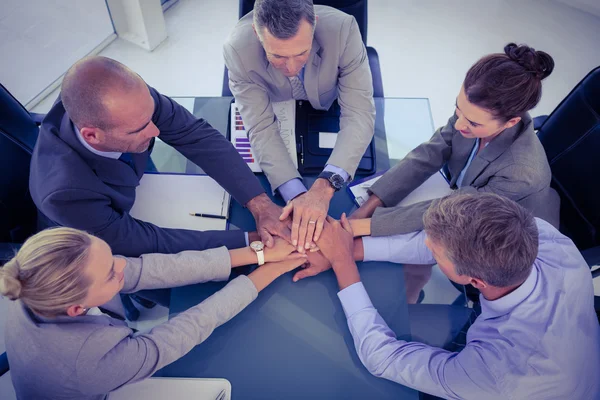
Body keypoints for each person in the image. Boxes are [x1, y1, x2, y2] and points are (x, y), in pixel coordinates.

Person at [315, 193, 600, 399]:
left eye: (437, 256)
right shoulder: (542, 236)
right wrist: (350, 250)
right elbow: (438, 244)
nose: (429, 250)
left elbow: (382, 359)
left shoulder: (499, 375)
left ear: (474, 281)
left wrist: (342, 263)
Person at [0, 227, 307, 400]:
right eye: (110, 274)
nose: (123, 265)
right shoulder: (87, 363)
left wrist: (260, 254)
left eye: (111, 257)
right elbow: (183, 331)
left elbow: (152, 269)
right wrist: (269, 272)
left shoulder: (31, 279)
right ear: (77, 308)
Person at [30, 56, 288, 259]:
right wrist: (251, 239)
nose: (155, 131)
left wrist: (261, 204)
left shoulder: (132, 102)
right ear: (92, 136)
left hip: (132, 179)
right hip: (96, 239)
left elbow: (195, 135)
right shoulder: (64, 194)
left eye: (151, 118)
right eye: (139, 129)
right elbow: (140, 242)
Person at [351, 43, 560, 237]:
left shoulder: (521, 173)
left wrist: (363, 227)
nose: (459, 125)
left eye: (473, 123)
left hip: (506, 236)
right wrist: (370, 205)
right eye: (457, 110)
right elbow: (427, 155)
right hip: (460, 199)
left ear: (511, 122)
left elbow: (454, 208)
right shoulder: (469, 115)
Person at [224, 0, 375, 253]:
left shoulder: (343, 29)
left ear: (314, 24)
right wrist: (295, 195)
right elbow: (260, 126)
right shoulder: (237, 48)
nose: (292, 69)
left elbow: (359, 115)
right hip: (273, 104)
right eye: (278, 56)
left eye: (301, 53)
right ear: (255, 32)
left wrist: (324, 186)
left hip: (327, 105)